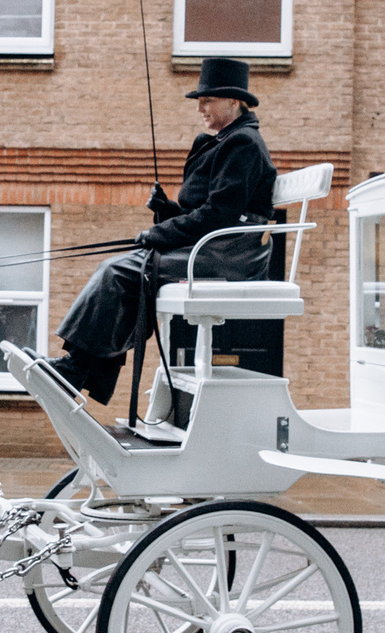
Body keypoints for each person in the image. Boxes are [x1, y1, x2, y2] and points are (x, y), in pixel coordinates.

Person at [45, 57, 277, 403]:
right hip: (216, 245)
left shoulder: (243, 144)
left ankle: (77, 369)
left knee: (118, 271)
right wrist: (166, 210)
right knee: (125, 270)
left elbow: (218, 215)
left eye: (208, 99)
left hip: (232, 254)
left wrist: (159, 234)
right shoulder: (222, 142)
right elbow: (204, 211)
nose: (200, 106)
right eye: (200, 99)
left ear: (234, 101)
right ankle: (82, 370)